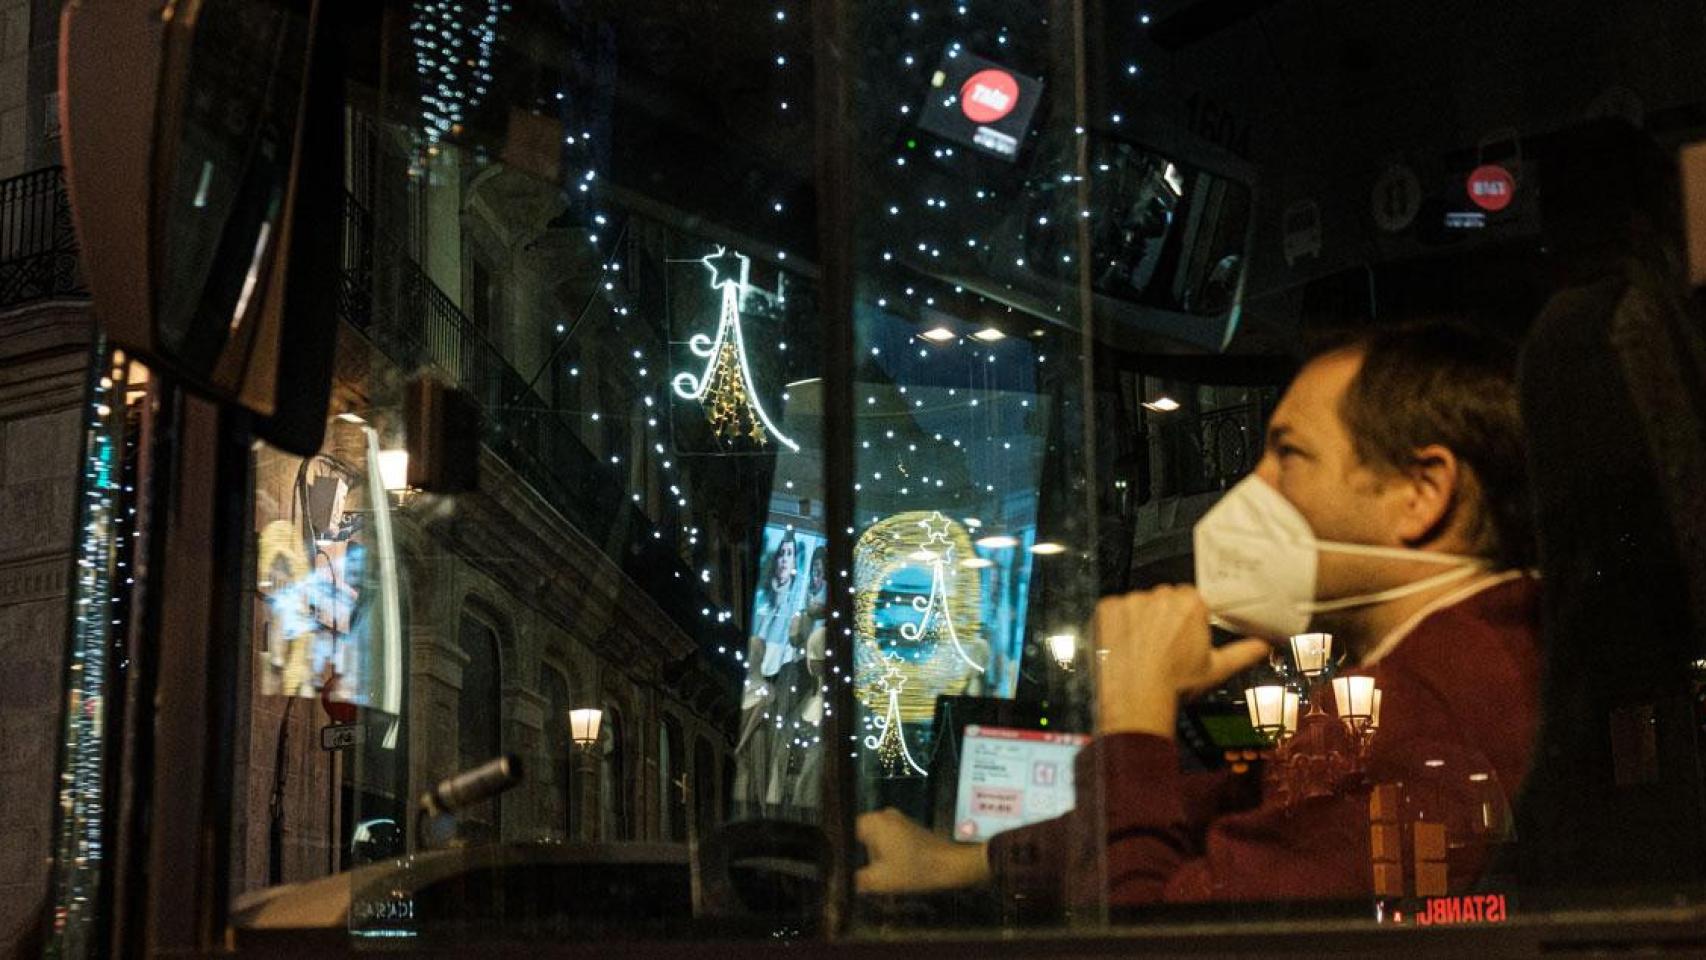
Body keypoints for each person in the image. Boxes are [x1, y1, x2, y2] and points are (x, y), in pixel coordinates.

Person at [856, 320, 1541, 908]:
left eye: (1289, 455)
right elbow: (1244, 808)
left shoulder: (1421, 710)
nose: (1254, 488)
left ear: (1421, 493)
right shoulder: (1470, 654)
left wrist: (1134, 719)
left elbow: (1156, 940)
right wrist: (963, 864)